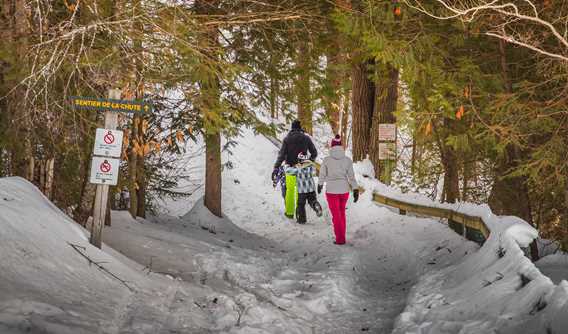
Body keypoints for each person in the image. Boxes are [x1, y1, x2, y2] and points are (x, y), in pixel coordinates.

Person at [272, 120, 319, 222]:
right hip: (302, 170)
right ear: (300, 127)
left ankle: (289, 213)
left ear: (292, 128)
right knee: (300, 192)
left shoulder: (287, 139)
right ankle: (300, 214)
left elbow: (281, 155)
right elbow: (314, 153)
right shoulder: (306, 138)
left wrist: (276, 167)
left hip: (290, 169)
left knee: (290, 191)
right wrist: (308, 162)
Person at [317, 135, 359, 245]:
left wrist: (320, 185)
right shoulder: (347, 160)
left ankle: (340, 239)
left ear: (332, 146)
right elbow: (351, 177)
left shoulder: (326, 160)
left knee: (336, 215)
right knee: (341, 214)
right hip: (344, 191)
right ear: (341, 146)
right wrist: (355, 189)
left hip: (331, 191)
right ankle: (342, 236)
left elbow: (322, 174)